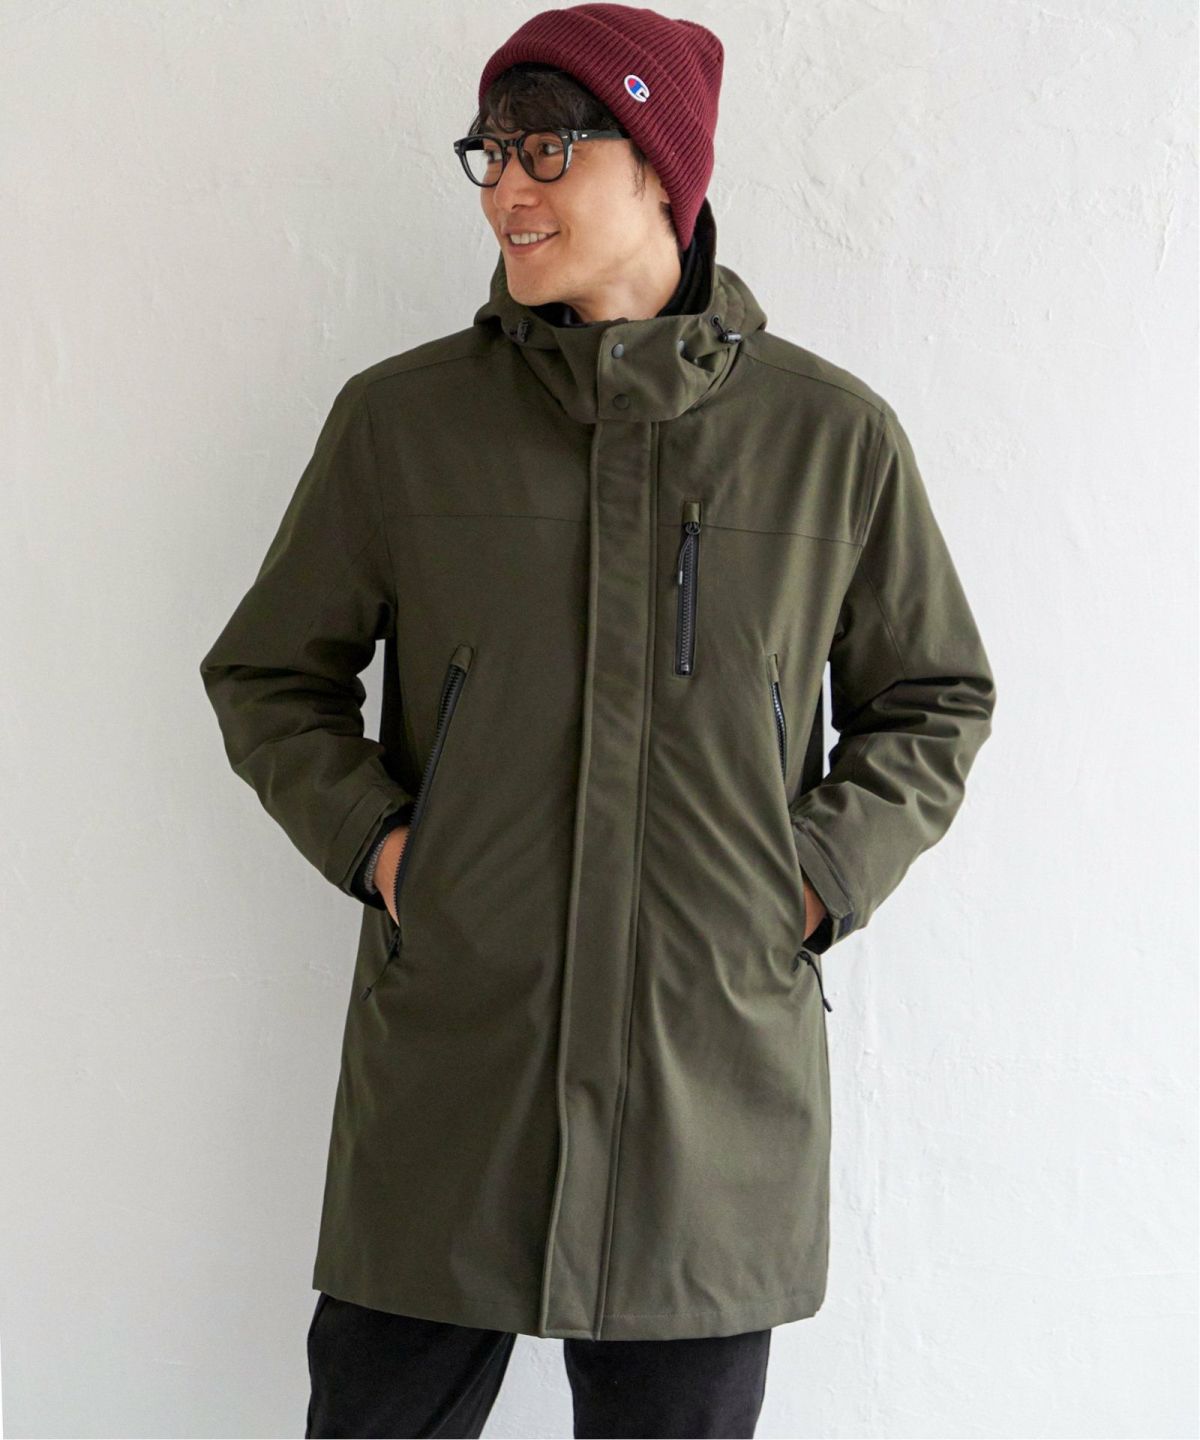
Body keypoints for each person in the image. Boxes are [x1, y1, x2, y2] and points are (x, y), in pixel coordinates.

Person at [199, 5, 997, 1436]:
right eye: (490, 154)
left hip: (707, 1089)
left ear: (660, 167)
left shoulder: (830, 440)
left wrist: (812, 879)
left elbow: (935, 697)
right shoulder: (404, 426)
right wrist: (387, 850)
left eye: (546, 151)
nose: (505, 189)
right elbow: (268, 675)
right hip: (459, 1063)